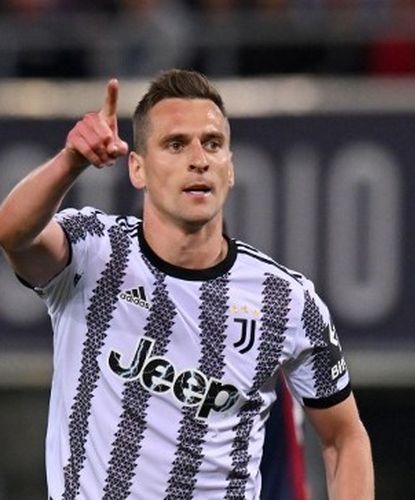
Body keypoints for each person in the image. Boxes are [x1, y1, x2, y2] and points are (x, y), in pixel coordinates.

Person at [0, 69, 374, 499]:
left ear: (230, 169)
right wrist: (71, 160)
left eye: (213, 144)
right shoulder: (93, 253)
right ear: (137, 168)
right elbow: (13, 233)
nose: (199, 158)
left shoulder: (285, 301)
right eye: (176, 144)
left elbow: (344, 438)